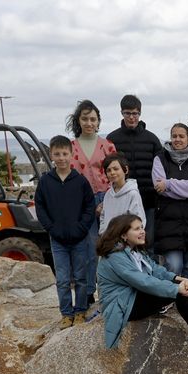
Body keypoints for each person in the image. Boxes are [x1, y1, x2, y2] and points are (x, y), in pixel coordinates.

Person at [95, 213, 188, 351]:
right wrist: (175, 288)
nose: (142, 231)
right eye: (137, 229)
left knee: (187, 284)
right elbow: (143, 281)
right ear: (123, 235)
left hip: (132, 295)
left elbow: (155, 269)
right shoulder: (115, 256)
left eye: (142, 227)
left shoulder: (133, 250)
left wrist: (176, 278)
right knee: (179, 292)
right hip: (121, 304)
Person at [34, 135, 97, 329]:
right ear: (51, 155)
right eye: (57, 154)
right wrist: (51, 228)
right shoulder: (45, 182)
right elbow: (40, 207)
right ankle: (66, 313)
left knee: (80, 277)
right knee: (62, 279)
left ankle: (80, 311)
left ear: (72, 155)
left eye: (65, 154)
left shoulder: (80, 181)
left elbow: (89, 207)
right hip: (58, 240)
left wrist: (81, 228)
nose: (61, 158)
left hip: (79, 238)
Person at [67, 100, 117, 308]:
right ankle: (88, 292)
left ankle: (111, 290)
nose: (89, 122)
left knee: (111, 246)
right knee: (88, 249)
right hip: (83, 202)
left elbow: (116, 173)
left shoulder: (108, 146)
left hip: (107, 199)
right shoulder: (70, 147)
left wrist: (108, 200)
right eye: (85, 118)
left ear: (98, 122)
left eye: (93, 119)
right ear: (79, 121)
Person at [151, 123, 188, 283]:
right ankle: (171, 300)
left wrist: (169, 184)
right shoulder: (160, 159)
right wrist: (185, 191)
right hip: (168, 224)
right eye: (174, 136)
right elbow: (158, 187)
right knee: (174, 266)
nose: (177, 139)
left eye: (181, 136)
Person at [106, 95, 161, 230]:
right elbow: (107, 169)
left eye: (135, 113)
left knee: (148, 240)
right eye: (128, 113)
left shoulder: (152, 139)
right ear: (122, 113)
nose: (131, 117)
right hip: (122, 199)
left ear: (140, 113)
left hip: (149, 200)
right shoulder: (112, 139)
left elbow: (161, 169)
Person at [99, 153, 145, 233]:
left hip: (126, 242)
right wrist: (103, 233)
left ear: (125, 170)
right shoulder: (108, 194)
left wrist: (126, 238)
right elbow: (103, 217)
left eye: (116, 169)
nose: (112, 172)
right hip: (108, 241)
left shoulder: (132, 194)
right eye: (108, 170)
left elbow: (138, 220)